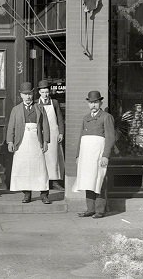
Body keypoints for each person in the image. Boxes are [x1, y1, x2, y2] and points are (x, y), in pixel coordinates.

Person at [6, 81, 50, 204]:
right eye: (25, 94)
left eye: (30, 94)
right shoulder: (16, 109)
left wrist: (46, 141)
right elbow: (11, 127)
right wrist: (10, 141)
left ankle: (44, 194)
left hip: (36, 140)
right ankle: (27, 194)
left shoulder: (40, 108)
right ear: (21, 95)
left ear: (33, 94)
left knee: (40, 168)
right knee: (24, 168)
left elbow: (45, 125)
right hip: (22, 142)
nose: (28, 97)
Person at [74, 90, 116, 219]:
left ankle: (99, 210)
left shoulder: (106, 117)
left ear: (100, 103)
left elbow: (110, 138)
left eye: (96, 102)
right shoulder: (85, 118)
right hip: (86, 154)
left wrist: (105, 155)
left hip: (99, 154)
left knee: (99, 180)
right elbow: (81, 136)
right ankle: (90, 209)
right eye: (91, 102)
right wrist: (78, 155)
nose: (93, 105)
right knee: (88, 180)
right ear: (88, 103)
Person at [37, 79, 65, 190]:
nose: (45, 94)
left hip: (53, 132)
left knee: (53, 157)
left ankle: (54, 181)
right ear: (39, 92)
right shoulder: (36, 103)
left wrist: (61, 132)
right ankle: (42, 181)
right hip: (41, 133)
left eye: (47, 91)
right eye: (43, 92)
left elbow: (60, 118)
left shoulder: (54, 103)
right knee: (41, 156)